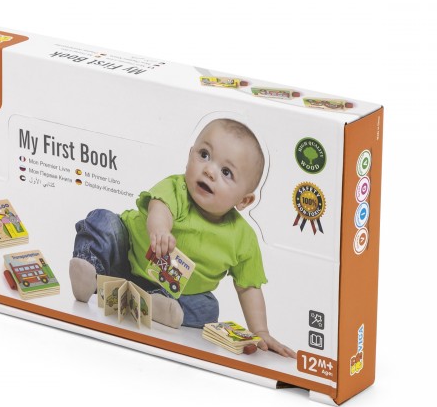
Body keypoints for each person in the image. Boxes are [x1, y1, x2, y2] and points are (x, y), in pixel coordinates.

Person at [70, 118, 295, 357]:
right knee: (103, 220)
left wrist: (260, 331)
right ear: (189, 155)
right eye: (204, 155)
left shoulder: (243, 239)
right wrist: (160, 230)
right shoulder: (177, 188)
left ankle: (156, 306)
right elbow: (160, 208)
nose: (209, 171)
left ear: (244, 200)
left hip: (175, 291)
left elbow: (248, 288)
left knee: (208, 308)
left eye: (226, 172)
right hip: (124, 258)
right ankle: (89, 270)